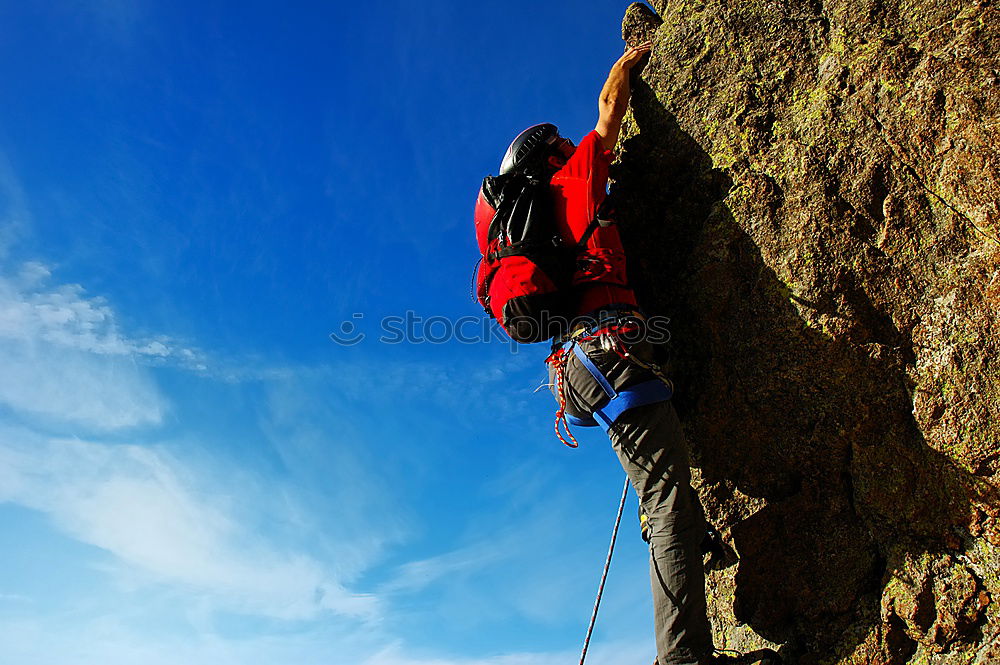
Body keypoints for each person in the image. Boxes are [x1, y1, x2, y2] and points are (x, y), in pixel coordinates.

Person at [483, 44, 760, 665]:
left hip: (581, 369)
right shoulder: (573, 180)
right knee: (667, 504)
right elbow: (609, 111)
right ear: (549, 156)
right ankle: (683, 658)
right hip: (613, 355)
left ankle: (686, 559)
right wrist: (628, 62)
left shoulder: (535, 223)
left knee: (659, 495)